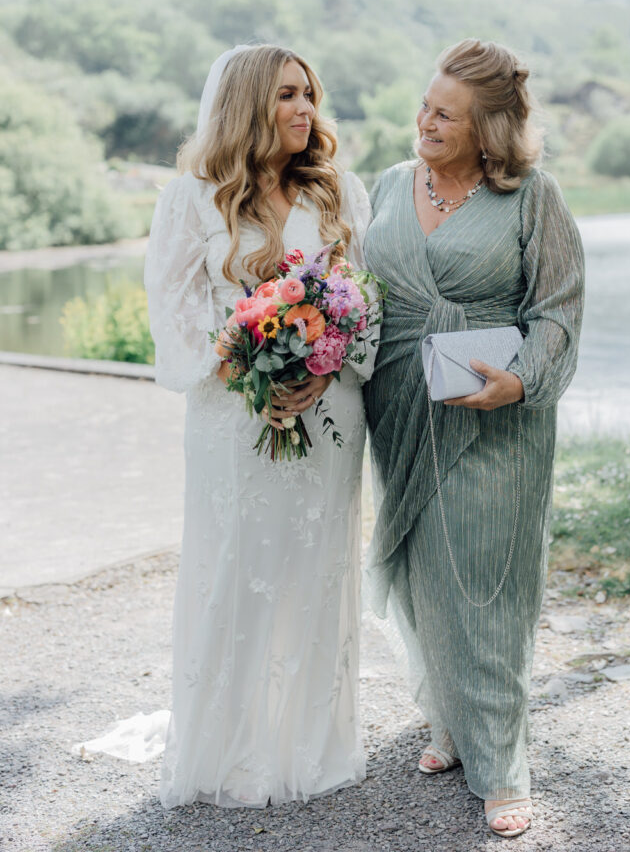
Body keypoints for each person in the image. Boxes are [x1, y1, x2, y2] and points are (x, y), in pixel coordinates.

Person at [363, 39, 584, 838]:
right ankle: (452, 724)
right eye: (424, 105)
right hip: (397, 409)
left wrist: (520, 380)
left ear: (488, 129)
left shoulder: (531, 198)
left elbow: (557, 308)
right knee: (425, 574)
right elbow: (359, 297)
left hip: (495, 416)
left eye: (444, 115)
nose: (423, 122)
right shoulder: (388, 186)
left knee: (485, 583)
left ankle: (503, 764)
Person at [144, 44, 373, 808]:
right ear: (245, 103)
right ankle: (228, 751)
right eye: (285, 95)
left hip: (328, 408)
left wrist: (320, 365)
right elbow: (172, 315)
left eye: (308, 93)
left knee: (315, 570)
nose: (304, 109)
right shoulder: (191, 199)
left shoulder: (337, 193)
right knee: (235, 569)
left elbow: (366, 301)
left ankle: (305, 746)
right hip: (230, 417)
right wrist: (248, 367)